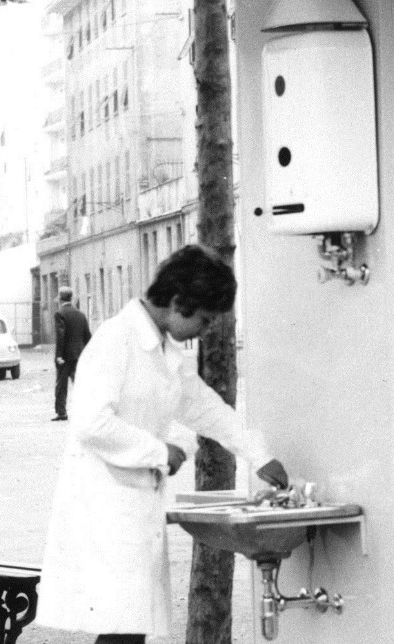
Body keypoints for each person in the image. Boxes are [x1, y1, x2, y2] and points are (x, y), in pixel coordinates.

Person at [36, 245, 289, 644]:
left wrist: (259, 455)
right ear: (178, 302)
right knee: (123, 630)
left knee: (131, 630)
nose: (205, 331)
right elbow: (90, 422)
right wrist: (159, 451)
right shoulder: (116, 339)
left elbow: (207, 409)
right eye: (204, 320)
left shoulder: (165, 352)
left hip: (133, 504)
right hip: (105, 506)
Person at [52, 287, 91, 421]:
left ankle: (61, 412)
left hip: (65, 357)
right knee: (80, 385)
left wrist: (59, 355)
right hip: (79, 356)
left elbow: (60, 336)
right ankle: (86, 412)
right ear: (71, 298)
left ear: (60, 298)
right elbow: (87, 336)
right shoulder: (80, 315)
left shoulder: (59, 314)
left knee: (61, 386)